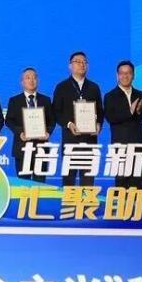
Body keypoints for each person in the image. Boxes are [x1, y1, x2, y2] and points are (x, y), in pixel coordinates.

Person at [52, 51, 104, 186]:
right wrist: (69, 124)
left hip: (90, 141)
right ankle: (69, 200)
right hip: (70, 140)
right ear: (70, 66)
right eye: (78, 62)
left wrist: (98, 124)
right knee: (69, 180)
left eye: (84, 62)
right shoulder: (61, 87)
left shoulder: (94, 87)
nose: (82, 64)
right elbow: (56, 112)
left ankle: (86, 201)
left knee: (88, 181)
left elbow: (100, 111)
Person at [103, 60, 142, 188]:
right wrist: (130, 111)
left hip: (138, 143)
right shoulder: (110, 96)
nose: (125, 76)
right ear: (117, 76)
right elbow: (110, 118)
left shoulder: (139, 94)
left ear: (133, 75)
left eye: (128, 73)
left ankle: (138, 201)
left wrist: (140, 111)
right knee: (121, 179)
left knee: (138, 179)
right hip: (120, 145)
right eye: (122, 73)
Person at [5, 67, 55, 182]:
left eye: (34, 77)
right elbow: (9, 121)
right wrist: (20, 133)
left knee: (40, 184)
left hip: (41, 148)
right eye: (28, 78)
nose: (31, 80)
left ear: (37, 80)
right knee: (23, 184)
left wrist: (48, 132)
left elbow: (52, 120)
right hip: (22, 148)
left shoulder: (46, 100)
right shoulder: (14, 100)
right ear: (22, 82)